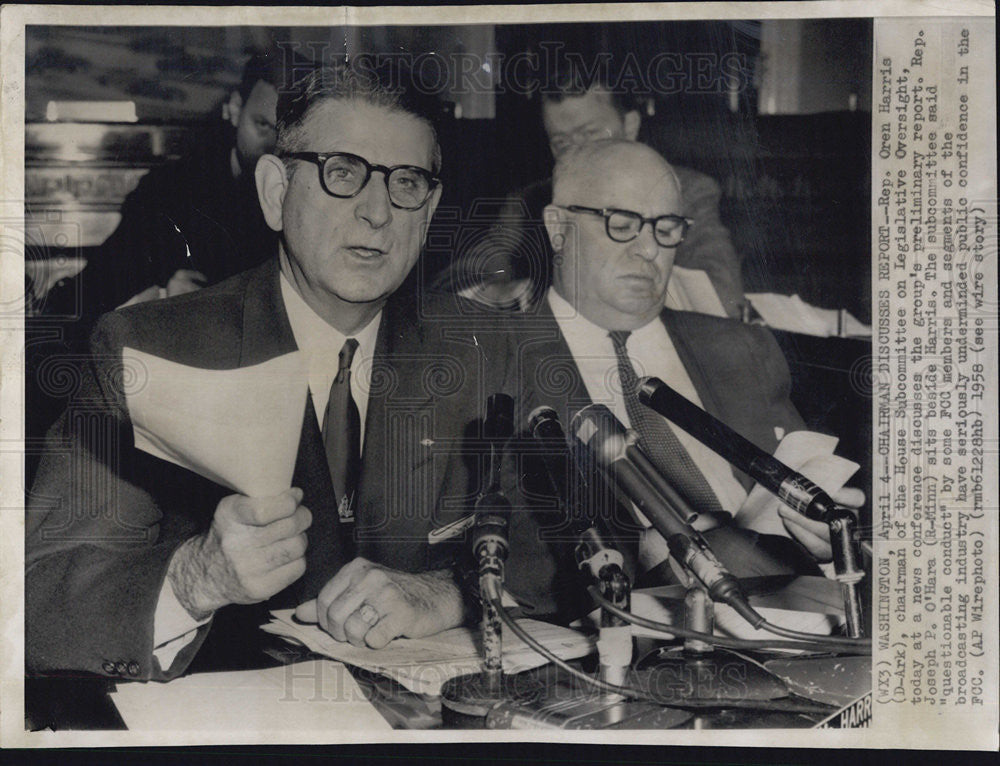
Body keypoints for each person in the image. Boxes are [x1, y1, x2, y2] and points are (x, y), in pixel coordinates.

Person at [26, 63, 523, 681]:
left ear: (430, 209)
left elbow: (572, 546)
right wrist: (196, 577)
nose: (377, 212)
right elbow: (38, 597)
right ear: (274, 192)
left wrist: (450, 593)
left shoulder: (482, 347)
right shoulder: (148, 351)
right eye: (343, 173)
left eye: (407, 182)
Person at [504, 140, 859, 588]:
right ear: (558, 227)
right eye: (622, 223)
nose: (649, 250)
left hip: (783, 614)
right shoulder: (495, 364)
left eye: (666, 227)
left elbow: (802, 504)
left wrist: (825, 544)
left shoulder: (741, 347)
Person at [432, 66, 746, 319]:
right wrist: (507, 293)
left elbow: (721, 295)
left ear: (631, 126)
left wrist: (587, 296)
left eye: (591, 134)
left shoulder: (686, 193)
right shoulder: (531, 202)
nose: (576, 153)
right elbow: (454, 283)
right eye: (561, 142)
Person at [79, 48, 285, 323]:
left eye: (287, 130)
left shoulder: (307, 196)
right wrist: (160, 295)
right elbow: (92, 294)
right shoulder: (168, 191)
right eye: (262, 125)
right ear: (235, 110)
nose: (274, 146)